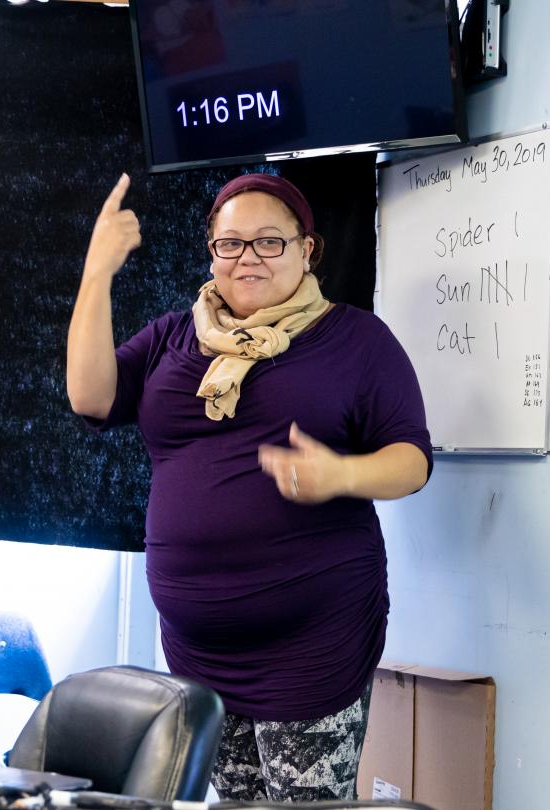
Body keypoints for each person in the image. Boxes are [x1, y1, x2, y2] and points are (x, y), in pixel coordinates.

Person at [67, 171, 432, 802]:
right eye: (230, 244)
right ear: (211, 251)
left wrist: (341, 473)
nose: (248, 258)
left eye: (269, 241)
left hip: (313, 645)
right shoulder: (172, 338)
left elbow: (412, 460)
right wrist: (97, 272)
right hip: (199, 652)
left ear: (306, 249)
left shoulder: (355, 340)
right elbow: (90, 396)